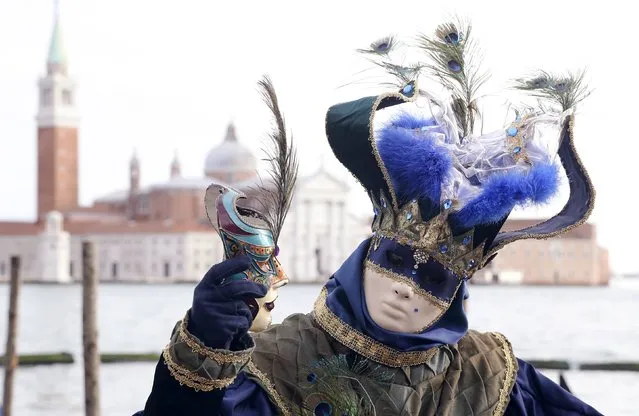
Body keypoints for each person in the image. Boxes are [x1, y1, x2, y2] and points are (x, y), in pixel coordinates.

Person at [137, 21, 603, 416]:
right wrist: (203, 345)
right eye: (397, 259)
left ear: (456, 294)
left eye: (436, 278)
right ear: (366, 253)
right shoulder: (278, 362)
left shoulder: (492, 375)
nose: (406, 287)